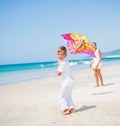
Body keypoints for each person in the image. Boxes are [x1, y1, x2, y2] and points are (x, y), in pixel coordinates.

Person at [57, 46, 75, 115]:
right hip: (71, 81)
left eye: (62, 54)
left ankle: (65, 109)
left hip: (67, 82)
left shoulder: (62, 63)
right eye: (58, 54)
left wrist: (58, 65)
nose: (60, 56)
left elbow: (59, 73)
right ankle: (71, 108)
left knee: (61, 96)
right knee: (68, 95)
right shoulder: (66, 61)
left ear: (65, 55)